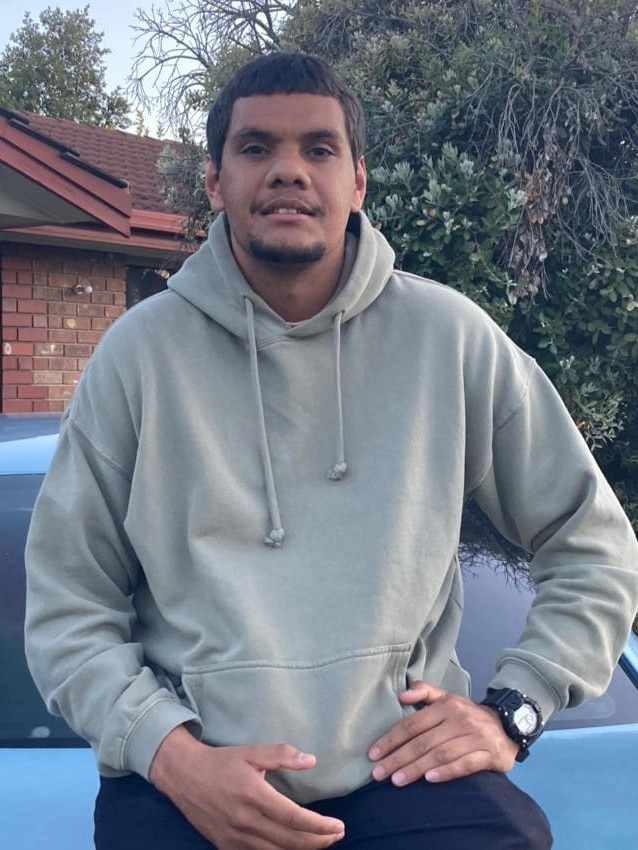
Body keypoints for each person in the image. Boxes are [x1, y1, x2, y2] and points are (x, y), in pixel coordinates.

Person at [24, 53, 638, 850]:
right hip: (190, 782)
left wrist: (513, 710)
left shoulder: (449, 341)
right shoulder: (137, 358)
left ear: (358, 182)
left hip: (402, 775)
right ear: (214, 182)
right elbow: (69, 606)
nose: (287, 171)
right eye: (255, 149)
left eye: (318, 148)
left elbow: (591, 542)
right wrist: (166, 753)